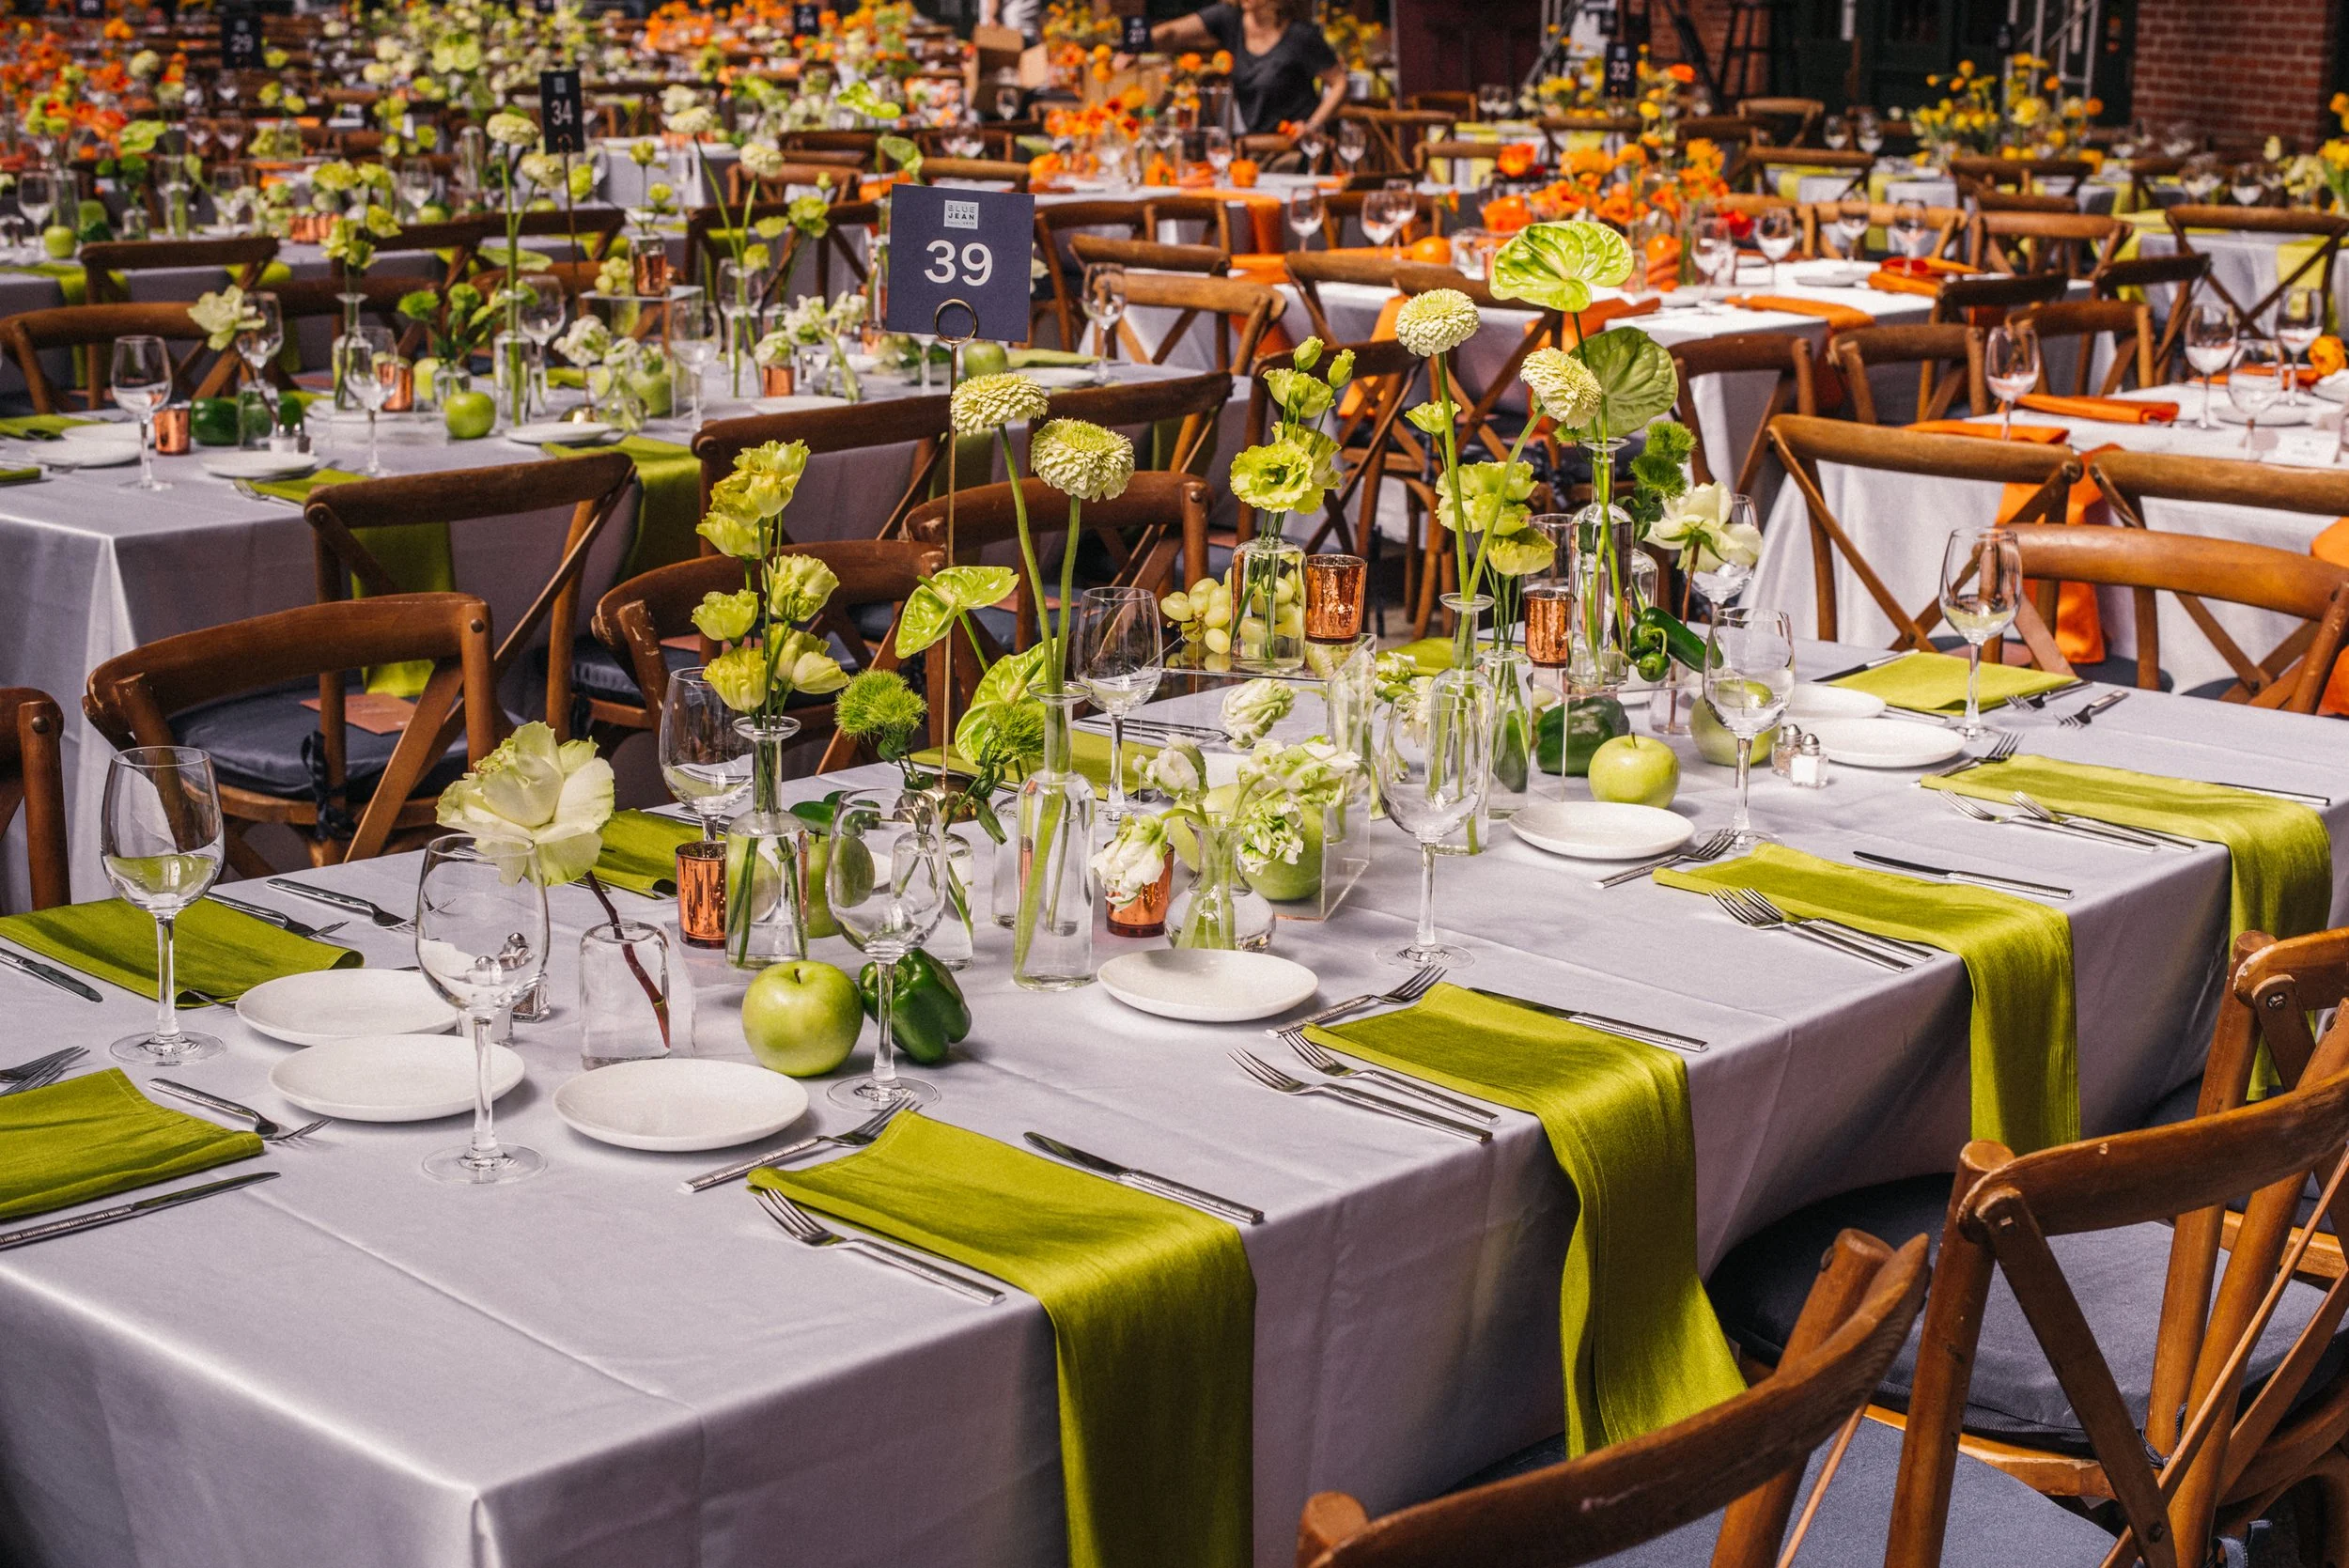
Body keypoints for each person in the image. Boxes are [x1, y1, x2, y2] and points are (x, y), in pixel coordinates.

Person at [1147, 0, 1346, 139]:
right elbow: (1170, 33)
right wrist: (1132, 44)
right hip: (1255, 147)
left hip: (1296, 150)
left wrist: (1312, 126)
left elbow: (1339, 82)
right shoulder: (1229, 18)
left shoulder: (1300, 36)